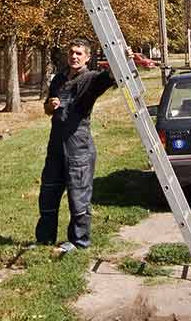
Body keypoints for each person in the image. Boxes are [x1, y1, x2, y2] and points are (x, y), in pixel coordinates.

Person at [36, 38, 130, 254]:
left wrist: (122, 58)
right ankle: (44, 239)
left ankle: (79, 242)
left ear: (87, 57)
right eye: (71, 52)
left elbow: (108, 78)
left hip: (79, 148)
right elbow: (47, 110)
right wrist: (50, 105)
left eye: (79, 53)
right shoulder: (59, 79)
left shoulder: (90, 79)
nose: (74, 56)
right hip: (56, 146)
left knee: (78, 198)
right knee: (48, 194)